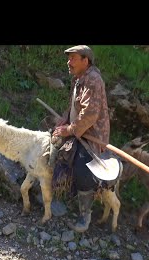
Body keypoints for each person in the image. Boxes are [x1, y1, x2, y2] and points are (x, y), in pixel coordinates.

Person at [52, 45, 110, 232]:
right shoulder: (79, 78)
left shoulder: (93, 80)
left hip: (92, 135)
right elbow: (75, 106)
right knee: (52, 146)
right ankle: (58, 192)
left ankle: (85, 216)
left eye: (73, 58)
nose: (69, 62)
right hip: (78, 129)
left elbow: (89, 115)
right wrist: (64, 118)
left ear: (86, 61)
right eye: (68, 58)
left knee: (82, 169)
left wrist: (68, 130)